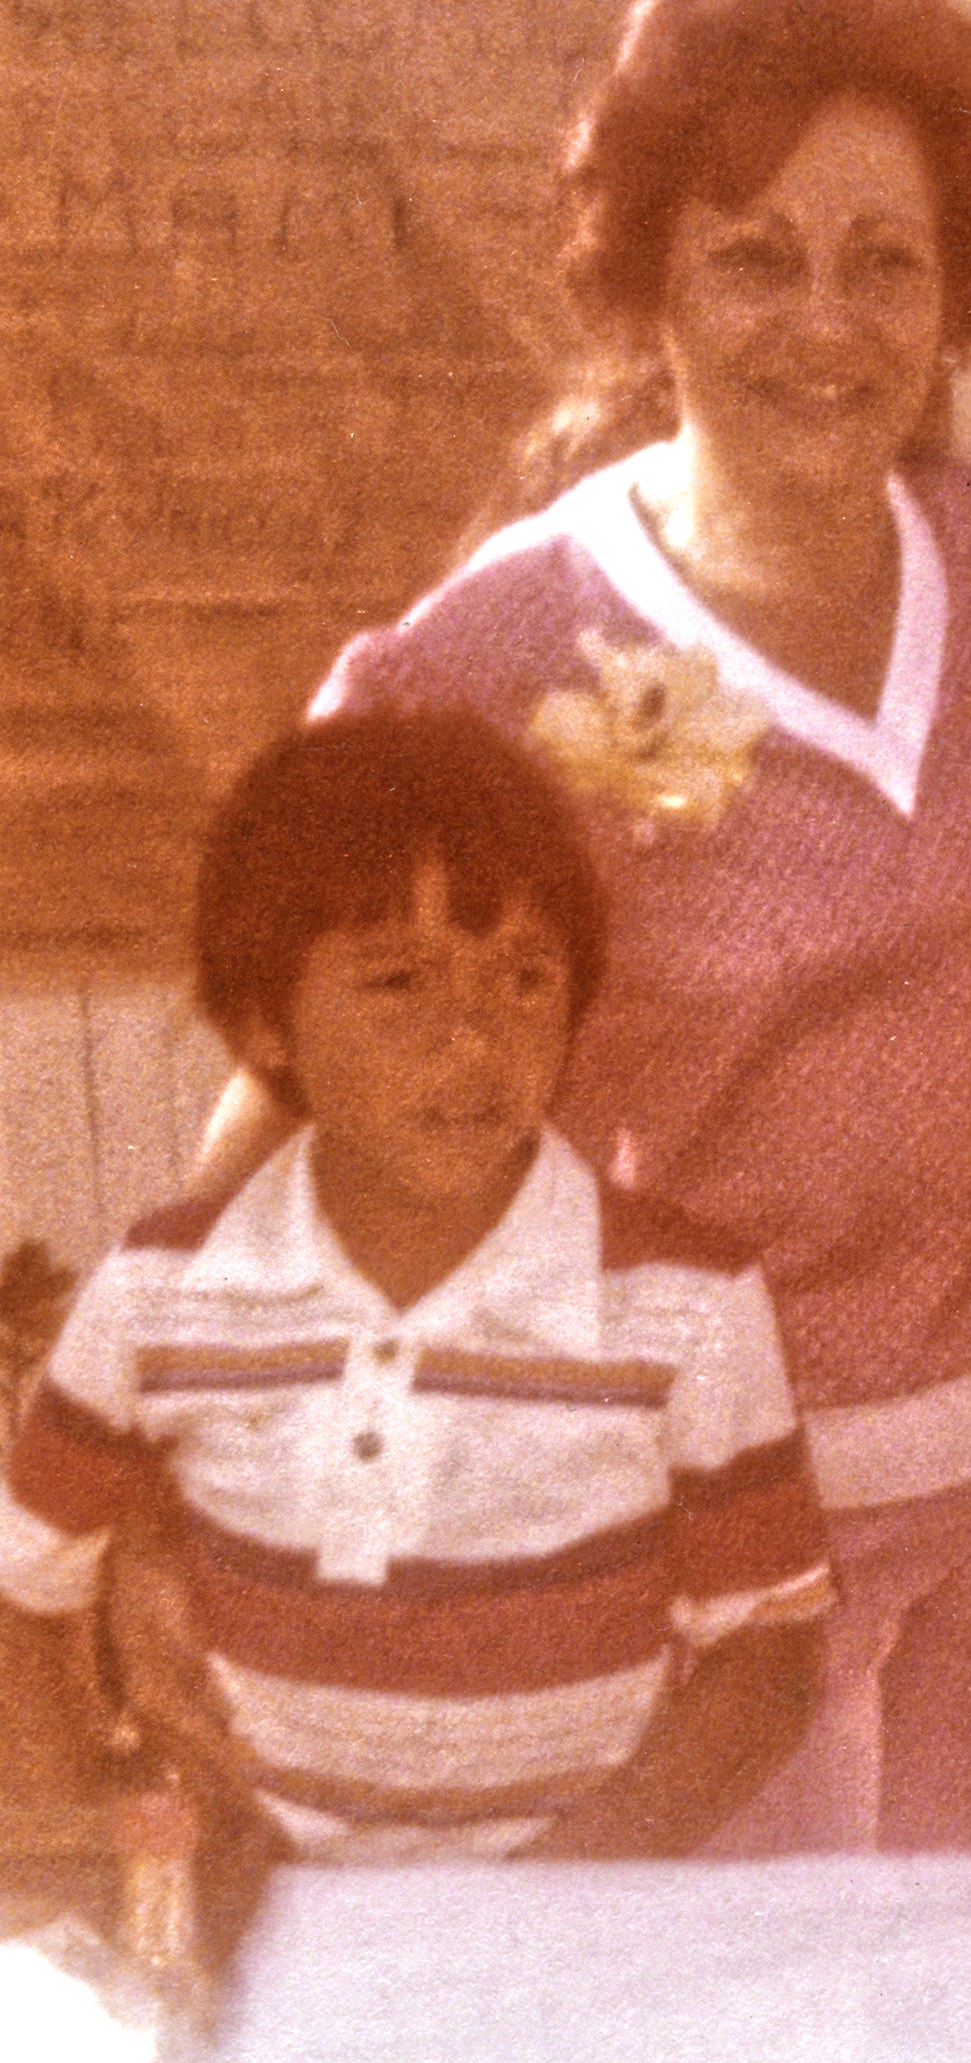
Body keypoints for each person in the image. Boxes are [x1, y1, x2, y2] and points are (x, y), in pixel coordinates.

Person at [216, 0, 971, 1853]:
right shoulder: (484, 665)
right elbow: (283, 1126)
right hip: (704, 1543)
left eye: (885, 259)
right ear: (650, 286)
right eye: (754, 254)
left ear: (954, 294)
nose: (826, 320)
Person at [0, 712, 832, 1865]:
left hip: (568, 1929)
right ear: (262, 1025)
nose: (472, 1037)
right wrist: (89, 1846)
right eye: (398, 981)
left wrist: (554, 1903)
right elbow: (23, 1582)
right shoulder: (161, 1295)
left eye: (524, 979)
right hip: (270, 1918)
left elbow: (771, 1658)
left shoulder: (684, 1302)